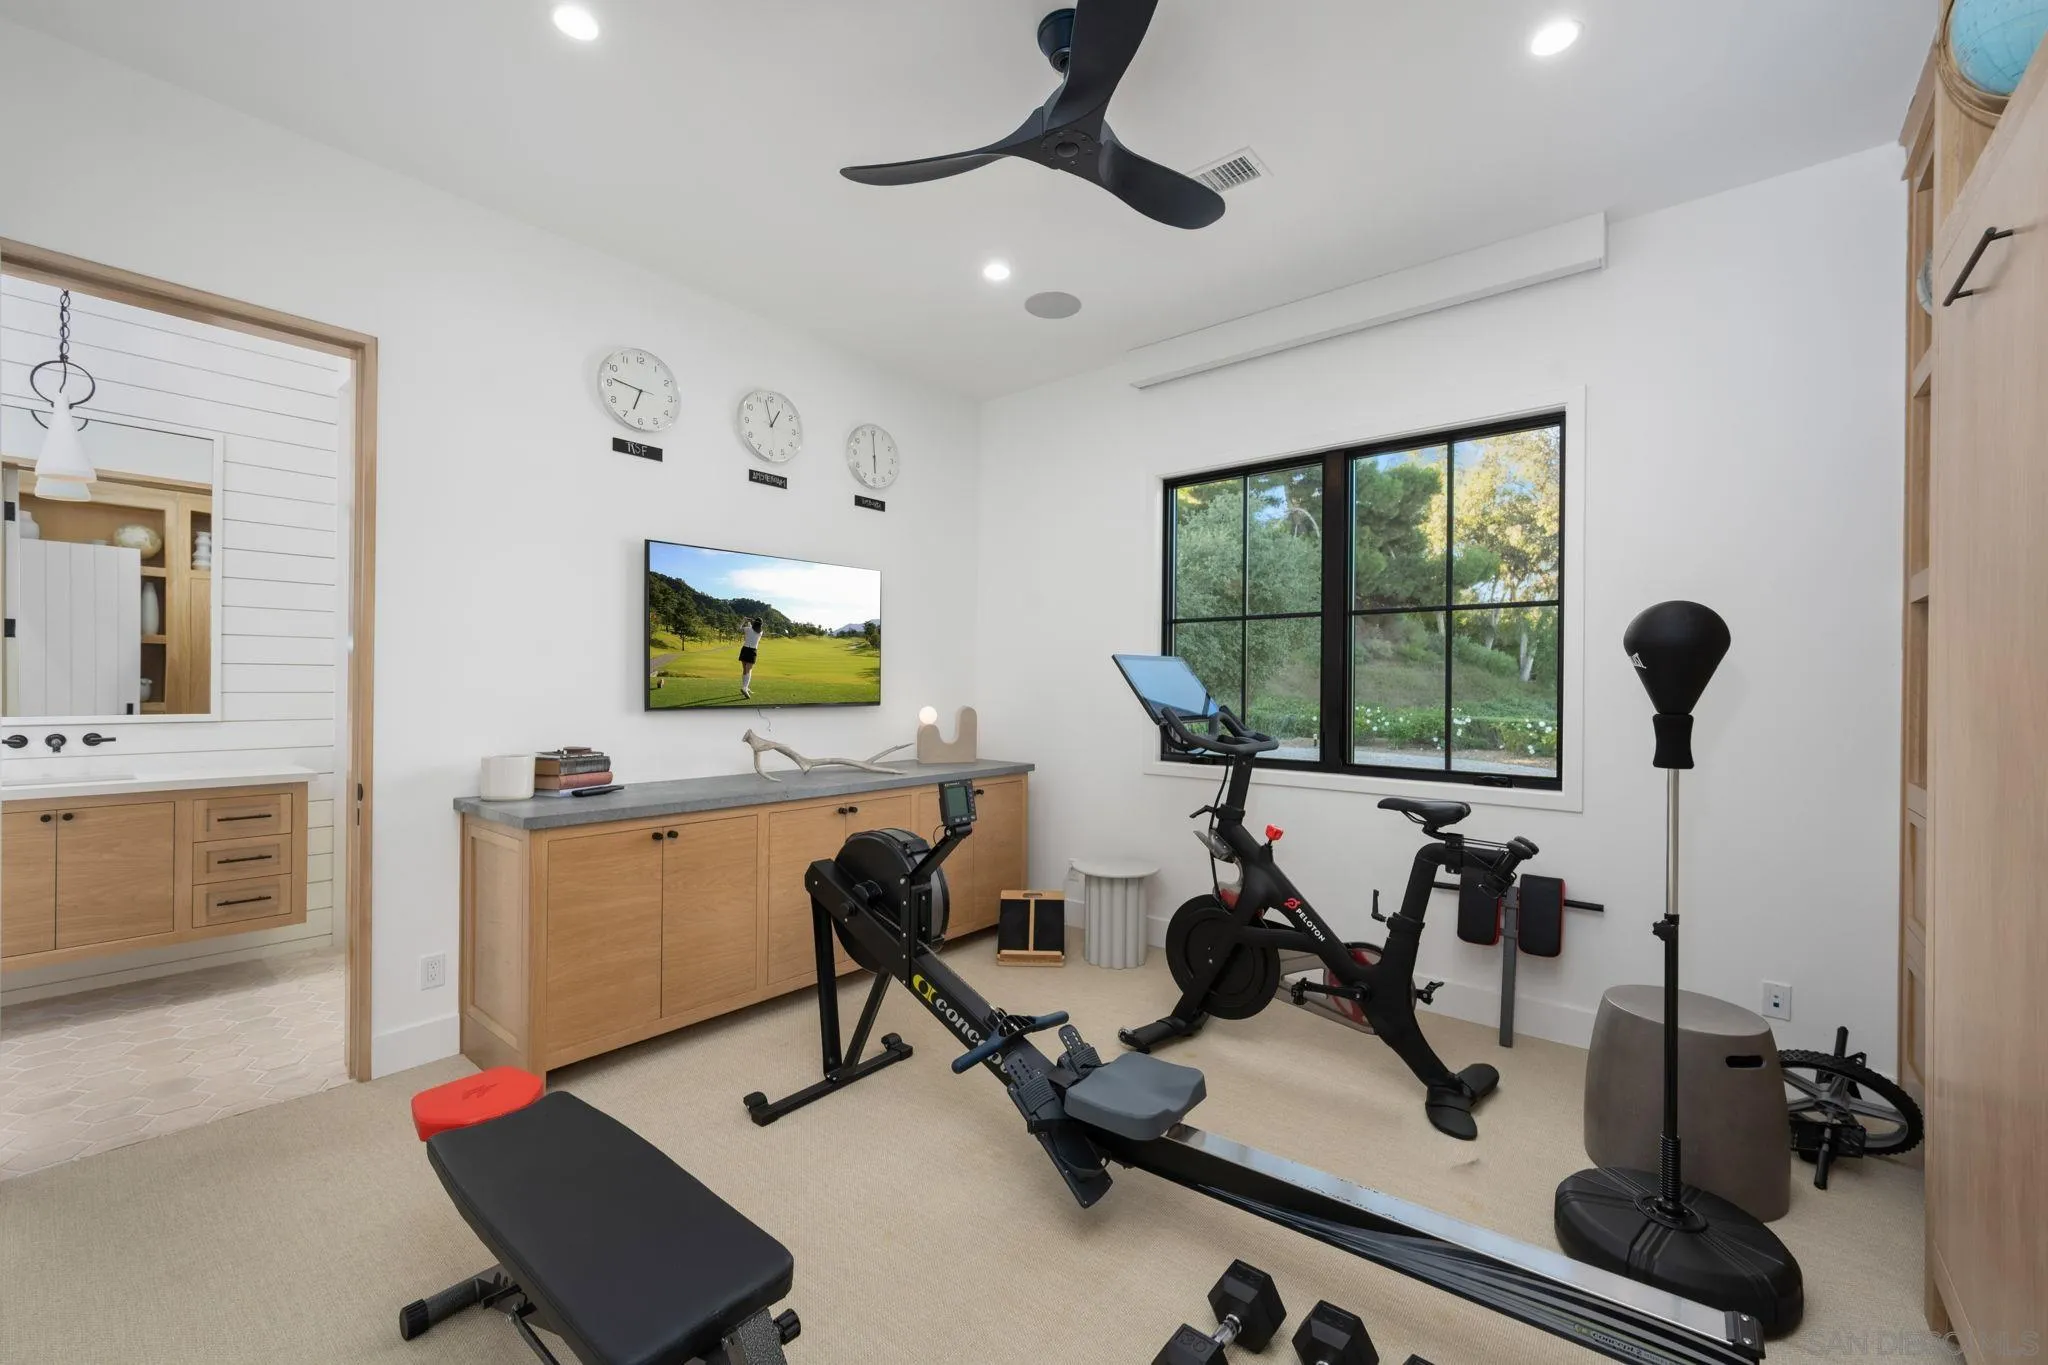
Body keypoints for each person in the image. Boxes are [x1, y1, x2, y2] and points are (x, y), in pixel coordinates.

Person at [739, 617, 764, 698]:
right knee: (749, 670)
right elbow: (753, 629)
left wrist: (744, 620)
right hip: (752, 651)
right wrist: (750, 622)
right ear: (761, 624)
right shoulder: (761, 632)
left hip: (744, 649)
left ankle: (745, 686)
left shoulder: (748, 629)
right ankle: (745, 688)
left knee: (745, 670)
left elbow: (739, 629)